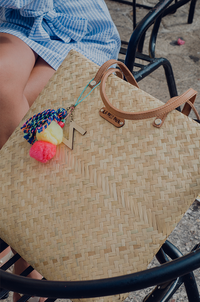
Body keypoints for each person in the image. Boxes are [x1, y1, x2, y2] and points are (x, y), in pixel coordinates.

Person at [0, 0, 121, 301]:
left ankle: (18, 243)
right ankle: (28, 253)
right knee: (7, 100)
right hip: (18, 25)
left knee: (10, 105)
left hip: (78, 30)